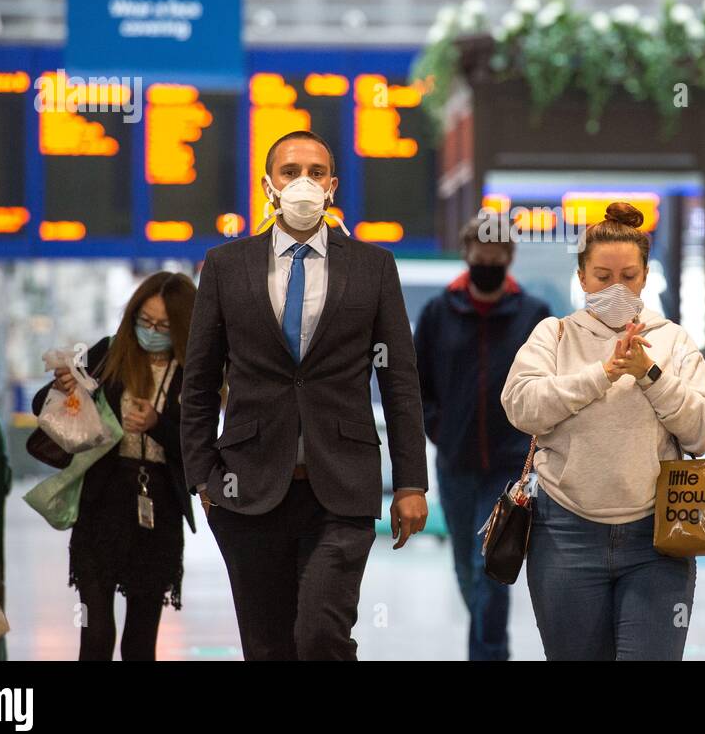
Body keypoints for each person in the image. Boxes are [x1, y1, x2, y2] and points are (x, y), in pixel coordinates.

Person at [179, 129, 428, 660]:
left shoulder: (373, 266)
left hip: (340, 486)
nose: (303, 183)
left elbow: (400, 381)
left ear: (332, 186)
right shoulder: (226, 265)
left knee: (320, 635)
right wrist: (202, 474)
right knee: (267, 646)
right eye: (290, 172)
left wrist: (410, 482)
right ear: (268, 186)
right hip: (246, 488)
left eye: (315, 173)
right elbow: (198, 381)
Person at [501, 201, 705, 661]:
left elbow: (704, 433)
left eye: (628, 276)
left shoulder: (673, 341)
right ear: (582, 277)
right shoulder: (554, 334)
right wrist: (602, 374)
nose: (616, 287)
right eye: (603, 277)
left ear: (645, 277)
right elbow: (522, 407)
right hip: (564, 534)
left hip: (657, 538)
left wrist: (649, 373)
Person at [30, 271, 199, 661]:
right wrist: (63, 388)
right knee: (96, 634)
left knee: (140, 643)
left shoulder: (193, 375)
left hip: (157, 511)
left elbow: (196, 448)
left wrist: (157, 426)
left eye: (162, 325)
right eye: (144, 321)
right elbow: (43, 406)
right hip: (101, 503)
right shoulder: (109, 353)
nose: (151, 331)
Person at [413, 211, 551, 661]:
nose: (487, 260)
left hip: (511, 466)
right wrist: (438, 427)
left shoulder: (534, 316)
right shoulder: (438, 312)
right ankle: (493, 648)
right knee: (466, 569)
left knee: (489, 563)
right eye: (480, 253)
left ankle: (487, 655)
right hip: (455, 464)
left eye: (496, 254)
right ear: (467, 253)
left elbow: (549, 383)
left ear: (508, 258)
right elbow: (417, 383)